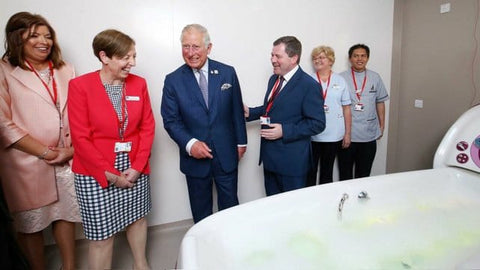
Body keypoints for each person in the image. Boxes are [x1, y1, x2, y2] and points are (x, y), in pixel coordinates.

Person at [68, 29, 155, 270]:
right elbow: (80, 138)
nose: (133, 63)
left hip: (133, 168)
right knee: (101, 236)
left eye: (134, 56)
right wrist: (109, 174)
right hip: (95, 172)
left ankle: (141, 264)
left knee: (137, 219)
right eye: (126, 57)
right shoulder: (80, 86)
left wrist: (137, 167)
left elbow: (148, 127)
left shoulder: (139, 84)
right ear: (104, 57)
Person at [0, 11, 81, 270]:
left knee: (65, 214)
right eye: (34, 35)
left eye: (47, 36)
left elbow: (79, 112)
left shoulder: (65, 68)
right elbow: (3, 123)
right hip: (26, 161)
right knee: (31, 222)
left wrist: (69, 151)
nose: (43, 41)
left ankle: (69, 267)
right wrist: (46, 153)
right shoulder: (4, 70)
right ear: (17, 38)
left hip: (65, 157)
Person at [161, 24, 247, 223]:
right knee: (201, 214)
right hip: (195, 161)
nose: (190, 53)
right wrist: (191, 144)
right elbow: (171, 121)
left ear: (208, 48)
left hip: (227, 155)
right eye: (186, 46)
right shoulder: (173, 81)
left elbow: (236, 110)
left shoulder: (227, 73)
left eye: (196, 47)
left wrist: (241, 143)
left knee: (231, 209)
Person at [245, 36, 325, 196]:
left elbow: (318, 123)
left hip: (292, 163)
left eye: (277, 56)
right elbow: (272, 108)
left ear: (294, 58)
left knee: (292, 212)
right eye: (272, 55)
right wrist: (251, 112)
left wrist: (285, 131)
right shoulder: (274, 79)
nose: (272, 60)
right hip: (270, 159)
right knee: (274, 208)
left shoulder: (309, 85)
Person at [338, 44, 389, 180]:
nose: (359, 59)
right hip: (347, 135)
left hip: (369, 134)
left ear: (367, 58)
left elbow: (380, 102)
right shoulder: (340, 78)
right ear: (350, 58)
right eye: (356, 56)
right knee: (345, 174)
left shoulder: (375, 77)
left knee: (364, 174)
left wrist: (382, 125)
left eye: (363, 56)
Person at [306, 46, 352, 186]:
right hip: (313, 135)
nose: (317, 60)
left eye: (321, 57)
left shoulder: (340, 80)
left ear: (330, 60)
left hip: (334, 135)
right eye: (315, 58)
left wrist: (348, 134)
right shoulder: (308, 80)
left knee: (327, 173)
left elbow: (347, 109)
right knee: (310, 172)